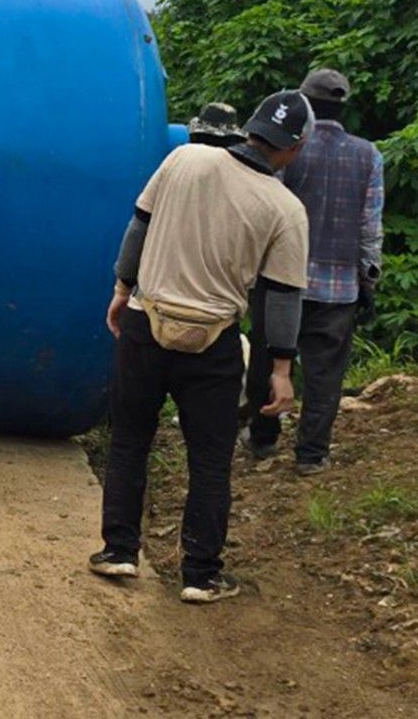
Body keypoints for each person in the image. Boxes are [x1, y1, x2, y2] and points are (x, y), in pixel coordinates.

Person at [91, 90, 313, 603]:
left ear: (249, 128)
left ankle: (119, 551)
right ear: (296, 147)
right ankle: (200, 575)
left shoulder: (183, 159)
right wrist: (281, 369)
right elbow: (280, 299)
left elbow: (137, 229)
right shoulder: (286, 209)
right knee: (210, 461)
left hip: (148, 324)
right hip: (211, 344)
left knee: (129, 441)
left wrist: (123, 290)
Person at [246, 70, 384, 474]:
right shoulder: (369, 155)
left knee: (266, 359)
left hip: (280, 277)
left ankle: (263, 437)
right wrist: (367, 279)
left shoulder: (290, 147)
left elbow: (269, 208)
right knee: (326, 373)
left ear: (303, 103)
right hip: (339, 287)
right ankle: (311, 454)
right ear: (343, 106)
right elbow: (369, 227)